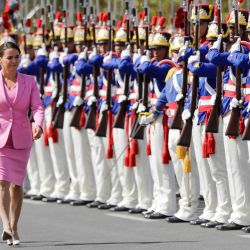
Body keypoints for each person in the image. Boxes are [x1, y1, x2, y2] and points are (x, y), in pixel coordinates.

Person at [0, 41, 44, 246]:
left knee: (17, 185)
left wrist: (38, 124)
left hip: (21, 138)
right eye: (9, 57)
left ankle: (15, 227)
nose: (14, 61)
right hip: (0, 137)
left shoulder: (29, 81)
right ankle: (6, 225)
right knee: (2, 182)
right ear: (1, 59)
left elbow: (38, 107)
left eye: (17, 56)